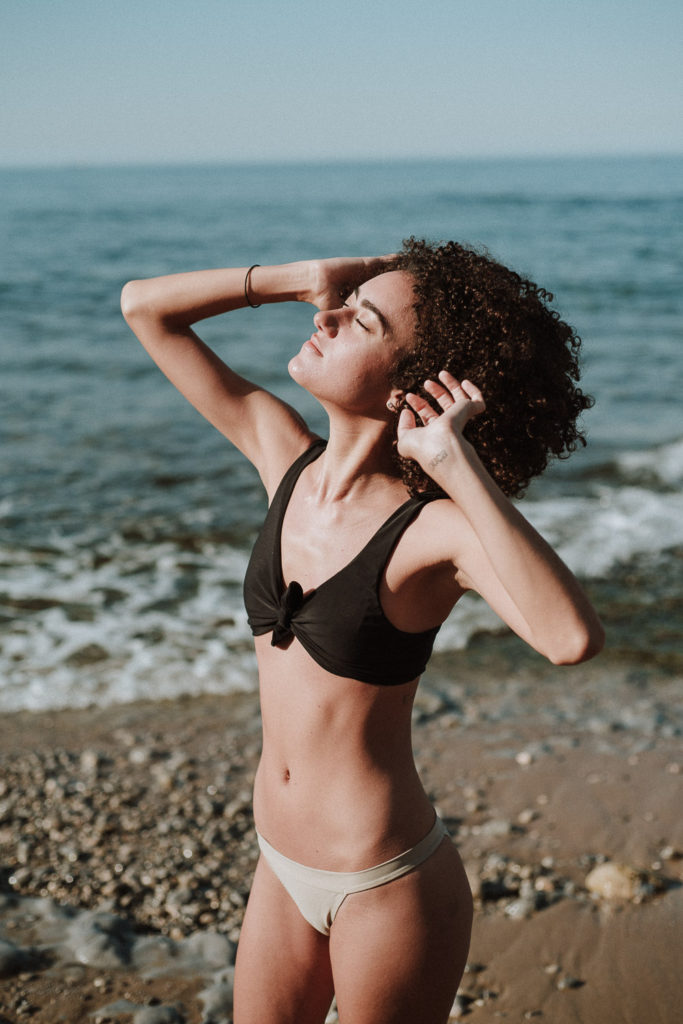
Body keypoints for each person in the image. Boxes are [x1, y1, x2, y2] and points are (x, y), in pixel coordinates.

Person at [121, 238, 604, 1024]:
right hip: (279, 866)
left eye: (364, 320)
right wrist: (301, 279)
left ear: (412, 391)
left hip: (384, 885)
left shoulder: (432, 532)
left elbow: (568, 640)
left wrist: (456, 465)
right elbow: (143, 306)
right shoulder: (282, 456)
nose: (331, 314)